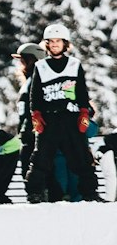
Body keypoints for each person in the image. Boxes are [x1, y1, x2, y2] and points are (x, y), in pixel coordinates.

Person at [25, 33, 99, 203]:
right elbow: (34, 95)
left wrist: (84, 113)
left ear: (65, 44)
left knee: (81, 157)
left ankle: (90, 193)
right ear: (47, 45)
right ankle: (34, 193)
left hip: (71, 118)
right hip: (49, 119)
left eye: (58, 41)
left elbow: (82, 92)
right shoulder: (41, 66)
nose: (55, 45)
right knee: (40, 158)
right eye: (51, 42)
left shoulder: (74, 64)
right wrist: (35, 115)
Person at [10, 42, 45, 179]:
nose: (21, 65)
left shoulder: (37, 81)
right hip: (27, 133)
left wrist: (29, 127)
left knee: (32, 168)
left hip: (34, 133)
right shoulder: (29, 81)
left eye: (23, 61)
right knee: (26, 168)